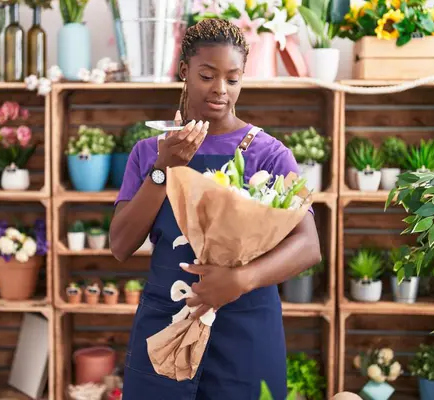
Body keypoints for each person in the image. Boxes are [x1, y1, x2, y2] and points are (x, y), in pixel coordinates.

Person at [109, 18, 322, 400]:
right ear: (185, 71)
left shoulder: (269, 155)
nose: (220, 89)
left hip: (246, 328)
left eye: (233, 78)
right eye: (207, 75)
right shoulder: (149, 152)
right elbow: (121, 244)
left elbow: (309, 246)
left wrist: (241, 280)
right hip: (166, 323)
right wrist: (163, 169)